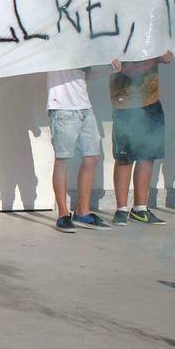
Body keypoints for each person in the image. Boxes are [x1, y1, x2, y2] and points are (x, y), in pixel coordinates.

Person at [108, 51, 174, 225]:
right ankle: (121, 209)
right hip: (126, 102)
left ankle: (140, 208)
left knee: (147, 156)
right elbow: (131, 71)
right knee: (125, 158)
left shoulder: (152, 34)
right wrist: (158, 59)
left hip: (151, 101)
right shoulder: (121, 39)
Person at [46, 67, 106, 232]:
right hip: (62, 107)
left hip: (85, 106)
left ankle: (82, 211)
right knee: (62, 160)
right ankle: (63, 214)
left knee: (92, 157)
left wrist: (109, 69)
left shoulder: (82, 44)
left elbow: (87, 73)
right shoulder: (56, 44)